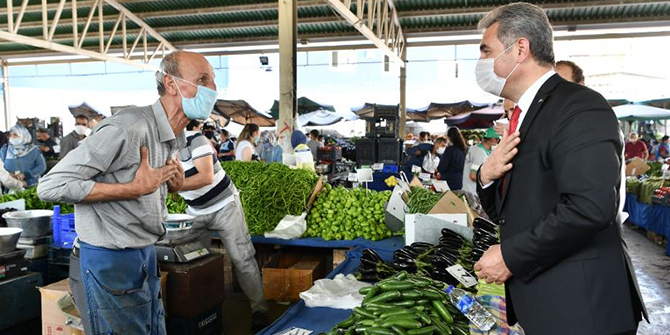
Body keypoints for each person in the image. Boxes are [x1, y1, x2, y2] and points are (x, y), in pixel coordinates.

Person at [473, 4, 646, 335]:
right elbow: (510, 213)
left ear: (520, 48)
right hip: (548, 301)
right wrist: (486, 175)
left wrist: (510, 255)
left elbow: (590, 207)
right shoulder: (525, 116)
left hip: (582, 309)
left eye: (486, 51)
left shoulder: (580, 107)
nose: (481, 63)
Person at [37, 50, 220, 335]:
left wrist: (174, 186)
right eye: (203, 79)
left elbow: (144, 184)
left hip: (143, 254)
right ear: (171, 84)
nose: (213, 89)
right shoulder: (128, 127)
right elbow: (51, 185)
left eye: (213, 80)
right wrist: (131, 189)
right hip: (109, 259)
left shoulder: (175, 136)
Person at [177, 117, 269, 331]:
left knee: (242, 258)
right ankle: (203, 310)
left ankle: (260, 311)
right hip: (195, 211)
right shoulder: (160, 149)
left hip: (225, 206)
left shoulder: (196, 140)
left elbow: (206, 177)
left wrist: (173, 184)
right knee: (194, 262)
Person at [462, 128, 499, 194]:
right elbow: (473, 176)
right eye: (497, 140)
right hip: (473, 192)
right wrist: (490, 181)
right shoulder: (479, 153)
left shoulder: (475, 148)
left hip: (468, 189)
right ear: (493, 139)